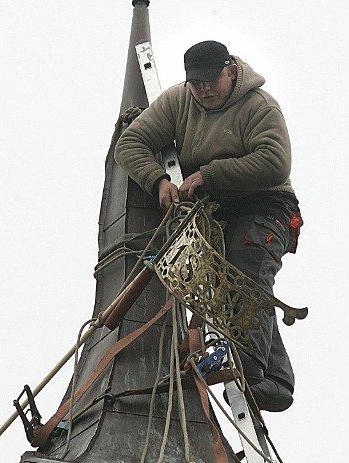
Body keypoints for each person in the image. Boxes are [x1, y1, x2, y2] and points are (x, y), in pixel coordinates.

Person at [115, 40, 303, 412]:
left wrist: (208, 175)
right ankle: (277, 380)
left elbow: (275, 162)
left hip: (266, 204)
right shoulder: (178, 101)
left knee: (245, 272)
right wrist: (157, 180)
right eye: (195, 82)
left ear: (230, 70)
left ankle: (247, 373)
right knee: (233, 283)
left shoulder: (258, 107)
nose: (203, 90)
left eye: (210, 81)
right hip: (217, 212)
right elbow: (131, 142)